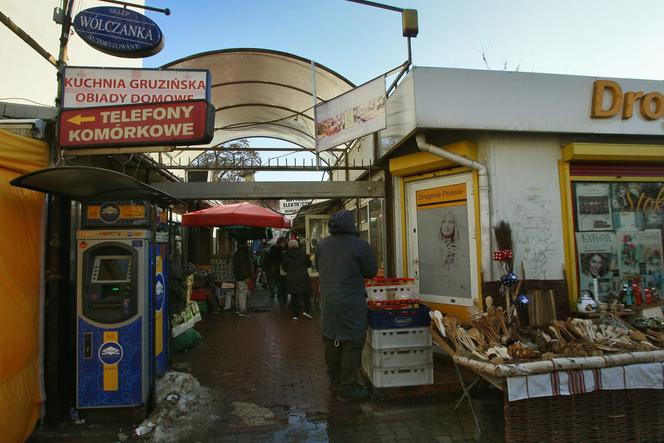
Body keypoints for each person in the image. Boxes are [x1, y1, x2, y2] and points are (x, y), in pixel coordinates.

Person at [316, 209, 377, 402]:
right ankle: (347, 387)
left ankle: (335, 383)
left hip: (328, 301)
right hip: (350, 302)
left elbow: (319, 268)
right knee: (352, 342)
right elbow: (371, 271)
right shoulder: (360, 245)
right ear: (352, 225)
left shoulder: (322, 245)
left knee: (332, 339)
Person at [281, 239, 313, 320]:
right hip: (303, 277)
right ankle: (307, 312)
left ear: (289, 246)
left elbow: (284, 268)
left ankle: (295, 314)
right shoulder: (303, 254)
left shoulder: (286, 255)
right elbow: (309, 264)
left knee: (294, 297)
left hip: (292, 278)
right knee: (306, 296)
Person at [232, 240, 253, 313]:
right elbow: (244, 266)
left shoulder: (236, 253)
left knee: (239, 292)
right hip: (243, 276)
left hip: (238, 276)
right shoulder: (243, 254)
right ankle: (242, 309)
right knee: (243, 292)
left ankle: (238, 307)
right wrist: (247, 276)